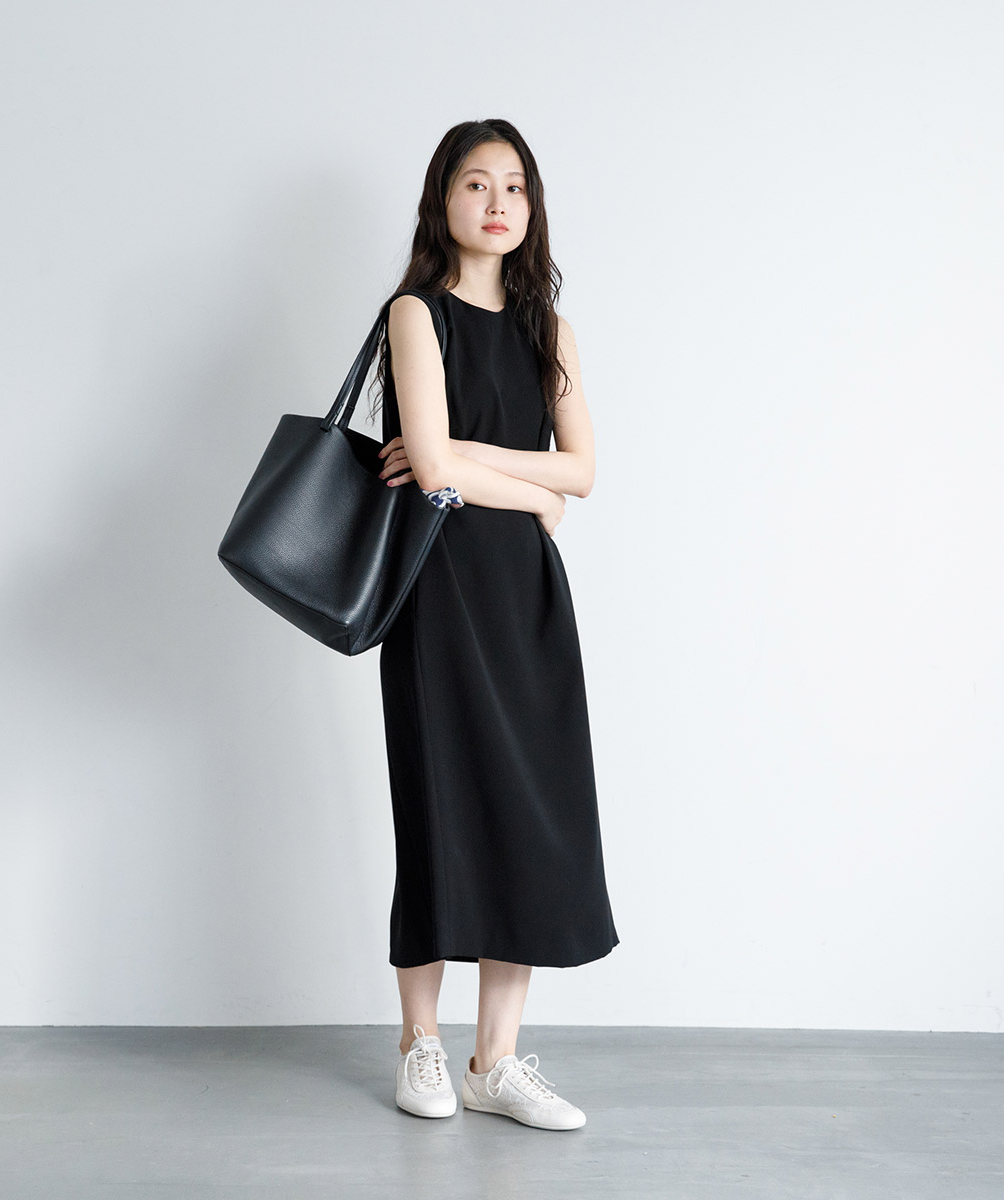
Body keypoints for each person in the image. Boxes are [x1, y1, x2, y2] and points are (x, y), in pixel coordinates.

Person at [370, 119, 620, 1132]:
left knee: (526, 812)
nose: (497, 202)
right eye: (476, 183)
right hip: (437, 591)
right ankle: (420, 1043)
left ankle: (496, 1061)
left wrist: (482, 462)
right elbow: (431, 474)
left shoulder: (547, 330)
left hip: (525, 598)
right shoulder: (414, 314)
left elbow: (583, 472)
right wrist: (533, 491)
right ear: (444, 200)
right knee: (438, 805)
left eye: (514, 185)